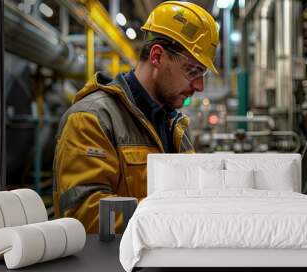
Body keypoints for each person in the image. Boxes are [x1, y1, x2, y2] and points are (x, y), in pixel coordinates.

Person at [52, 1, 219, 233]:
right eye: (192, 71)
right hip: (113, 266)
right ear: (157, 56)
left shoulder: (176, 126)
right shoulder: (91, 119)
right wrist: (173, 214)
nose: (199, 86)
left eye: (203, 74)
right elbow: (84, 217)